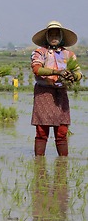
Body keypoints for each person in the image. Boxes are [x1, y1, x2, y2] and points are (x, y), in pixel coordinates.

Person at [30, 21, 82, 156]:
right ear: (46, 36)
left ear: (61, 37)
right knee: (41, 131)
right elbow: (36, 69)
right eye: (51, 34)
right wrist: (56, 72)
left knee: (62, 131)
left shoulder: (69, 54)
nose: (54, 37)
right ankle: (39, 165)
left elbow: (79, 73)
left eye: (57, 34)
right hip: (44, 92)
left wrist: (73, 77)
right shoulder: (40, 52)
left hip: (61, 94)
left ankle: (62, 166)